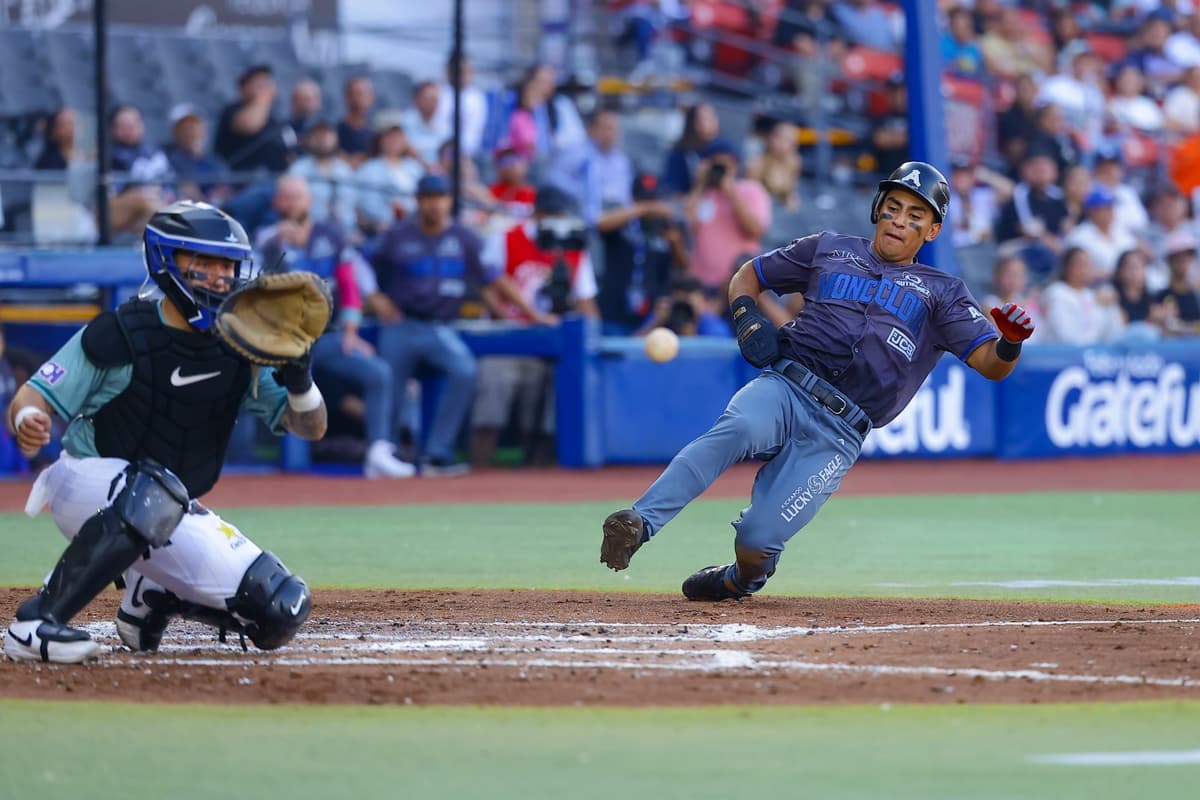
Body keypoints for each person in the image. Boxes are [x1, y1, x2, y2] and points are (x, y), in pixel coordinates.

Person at [598, 162, 1036, 601]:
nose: (900, 220)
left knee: (757, 538)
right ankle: (640, 522)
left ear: (932, 231)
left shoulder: (943, 292)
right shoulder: (828, 248)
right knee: (737, 428)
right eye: (893, 207)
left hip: (839, 432)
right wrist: (747, 316)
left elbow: (990, 363)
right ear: (877, 210)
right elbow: (749, 274)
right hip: (786, 386)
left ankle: (740, 578)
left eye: (915, 216)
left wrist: (1010, 343)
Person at [3, 201, 323, 663]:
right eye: (205, 263)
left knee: (281, 606)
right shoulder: (123, 332)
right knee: (154, 490)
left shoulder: (241, 344)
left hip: (167, 504)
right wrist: (25, 421)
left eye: (228, 265)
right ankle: (37, 622)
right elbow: (32, 396)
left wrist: (301, 381)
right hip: (86, 484)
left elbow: (309, 428)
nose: (219, 277)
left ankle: (150, 596)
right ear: (166, 261)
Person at [368, 174, 548, 475]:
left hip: (441, 327)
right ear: (419, 201)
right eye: (429, 198)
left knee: (465, 370)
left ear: (449, 201)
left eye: (441, 197)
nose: (435, 204)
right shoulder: (397, 236)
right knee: (389, 381)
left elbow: (494, 278)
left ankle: (437, 453)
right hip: (402, 323)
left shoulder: (464, 238)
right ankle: (385, 453)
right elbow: (365, 269)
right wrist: (374, 298)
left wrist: (531, 313)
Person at [257, 175, 414, 478]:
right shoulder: (267, 238)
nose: (292, 204)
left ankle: (379, 451)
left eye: (298, 197)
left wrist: (351, 331)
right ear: (276, 202)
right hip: (281, 340)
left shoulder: (331, 235)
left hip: (326, 337)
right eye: (286, 198)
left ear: (309, 200)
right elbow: (258, 289)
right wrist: (284, 245)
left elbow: (349, 285)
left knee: (378, 372)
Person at [214, 64, 291, 175]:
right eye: (258, 83)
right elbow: (249, 126)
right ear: (243, 87)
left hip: (275, 179)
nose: (265, 86)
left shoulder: (273, 119)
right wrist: (263, 98)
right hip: (240, 181)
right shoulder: (232, 111)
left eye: (267, 82)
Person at [1038, 247, 1125, 345]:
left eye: (1089, 264)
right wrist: (1099, 308)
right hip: (1060, 355)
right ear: (1067, 267)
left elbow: (1113, 334)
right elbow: (1066, 337)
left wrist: (1110, 305)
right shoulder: (1057, 293)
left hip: (1093, 354)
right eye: (1081, 265)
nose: (1086, 269)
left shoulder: (1092, 295)